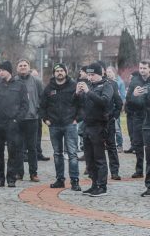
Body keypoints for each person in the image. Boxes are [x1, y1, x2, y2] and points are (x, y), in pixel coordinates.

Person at [40, 63, 81, 191]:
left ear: (66, 72)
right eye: (57, 71)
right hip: (54, 125)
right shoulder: (48, 88)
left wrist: (77, 119)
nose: (60, 73)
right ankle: (60, 180)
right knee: (57, 154)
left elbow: (81, 103)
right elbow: (42, 106)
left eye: (62, 70)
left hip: (70, 124)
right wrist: (46, 119)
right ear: (54, 73)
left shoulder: (73, 86)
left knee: (72, 154)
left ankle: (75, 181)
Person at [0, 61, 28, 188]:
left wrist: (17, 120)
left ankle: (11, 178)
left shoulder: (20, 85)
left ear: (9, 71)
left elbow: (24, 105)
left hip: (12, 123)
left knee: (13, 152)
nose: (0, 72)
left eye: (2, 70)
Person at [77, 63, 114, 197]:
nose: (90, 77)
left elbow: (104, 102)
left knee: (99, 158)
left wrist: (88, 92)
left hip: (99, 126)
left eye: (93, 75)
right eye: (89, 75)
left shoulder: (106, 86)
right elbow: (78, 104)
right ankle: (94, 184)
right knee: (89, 158)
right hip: (87, 125)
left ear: (100, 74)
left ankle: (102, 186)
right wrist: (77, 94)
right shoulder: (90, 86)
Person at [14, 59, 44, 182]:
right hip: (18, 119)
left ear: (29, 67)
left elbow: (42, 98)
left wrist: (38, 111)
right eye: (20, 65)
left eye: (25, 65)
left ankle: (33, 173)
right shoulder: (13, 81)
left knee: (32, 147)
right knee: (18, 147)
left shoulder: (36, 81)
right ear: (17, 68)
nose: (23, 67)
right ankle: (19, 172)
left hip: (32, 118)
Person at [126, 60, 150, 179]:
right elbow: (128, 101)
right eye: (140, 68)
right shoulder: (134, 81)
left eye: (144, 68)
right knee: (138, 144)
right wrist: (134, 95)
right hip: (138, 117)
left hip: (149, 117)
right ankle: (139, 170)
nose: (142, 70)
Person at [101, 64, 123, 180]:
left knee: (111, 146)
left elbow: (119, 102)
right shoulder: (91, 84)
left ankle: (114, 171)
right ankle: (96, 171)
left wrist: (115, 115)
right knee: (96, 146)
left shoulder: (113, 84)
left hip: (109, 120)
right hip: (95, 121)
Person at [106, 66, 126, 150]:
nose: (108, 73)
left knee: (117, 128)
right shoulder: (106, 82)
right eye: (107, 72)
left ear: (114, 72)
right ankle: (108, 144)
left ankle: (119, 145)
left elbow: (123, 96)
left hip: (116, 107)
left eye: (110, 72)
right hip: (108, 109)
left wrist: (121, 107)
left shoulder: (119, 82)